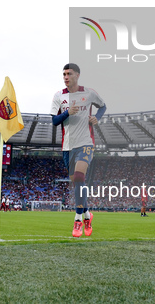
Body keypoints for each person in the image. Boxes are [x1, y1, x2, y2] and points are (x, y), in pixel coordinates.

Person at [51, 63, 106, 237]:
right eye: (64, 74)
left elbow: (103, 106)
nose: (66, 77)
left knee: (80, 177)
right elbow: (54, 121)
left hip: (86, 143)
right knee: (78, 184)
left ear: (77, 75)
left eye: (69, 74)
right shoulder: (59, 96)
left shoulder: (89, 93)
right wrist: (68, 113)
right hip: (67, 147)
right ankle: (88, 215)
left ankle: (77, 220)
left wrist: (96, 117)